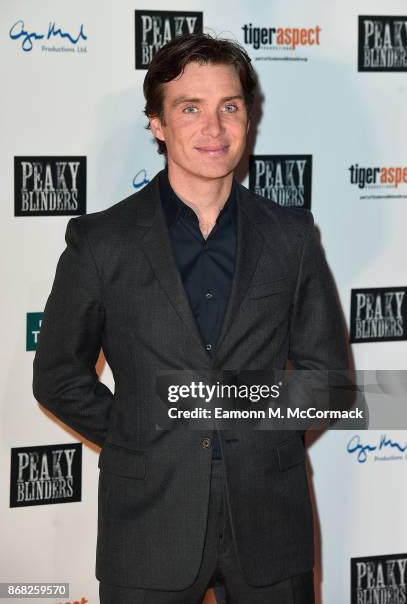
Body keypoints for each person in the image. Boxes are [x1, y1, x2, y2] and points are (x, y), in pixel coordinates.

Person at [33, 33, 349, 603]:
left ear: (248, 118)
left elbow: (329, 380)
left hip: (271, 522)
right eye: (190, 108)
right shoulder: (100, 242)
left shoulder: (291, 235)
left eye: (230, 107)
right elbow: (58, 375)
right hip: (148, 525)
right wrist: (143, 434)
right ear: (157, 123)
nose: (214, 128)